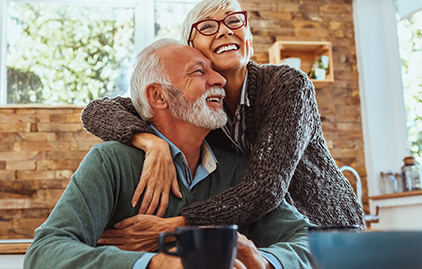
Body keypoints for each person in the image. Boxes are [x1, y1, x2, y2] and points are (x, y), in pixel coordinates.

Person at [24, 38, 312, 269]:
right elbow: (44, 253)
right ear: (159, 96)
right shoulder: (110, 162)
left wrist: (265, 260)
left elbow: (305, 241)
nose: (220, 80)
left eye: (214, 70)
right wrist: (155, 263)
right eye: (200, 71)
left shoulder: (239, 170)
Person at [81, 0, 365, 229]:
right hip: (269, 233)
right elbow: (97, 110)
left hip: (327, 228)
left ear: (249, 41)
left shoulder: (287, 85)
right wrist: (150, 142)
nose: (225, 31)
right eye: (207, 26)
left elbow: (265, 187)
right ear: (193, 51)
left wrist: (178, 224)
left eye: (233, 21)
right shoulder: (196, 107)